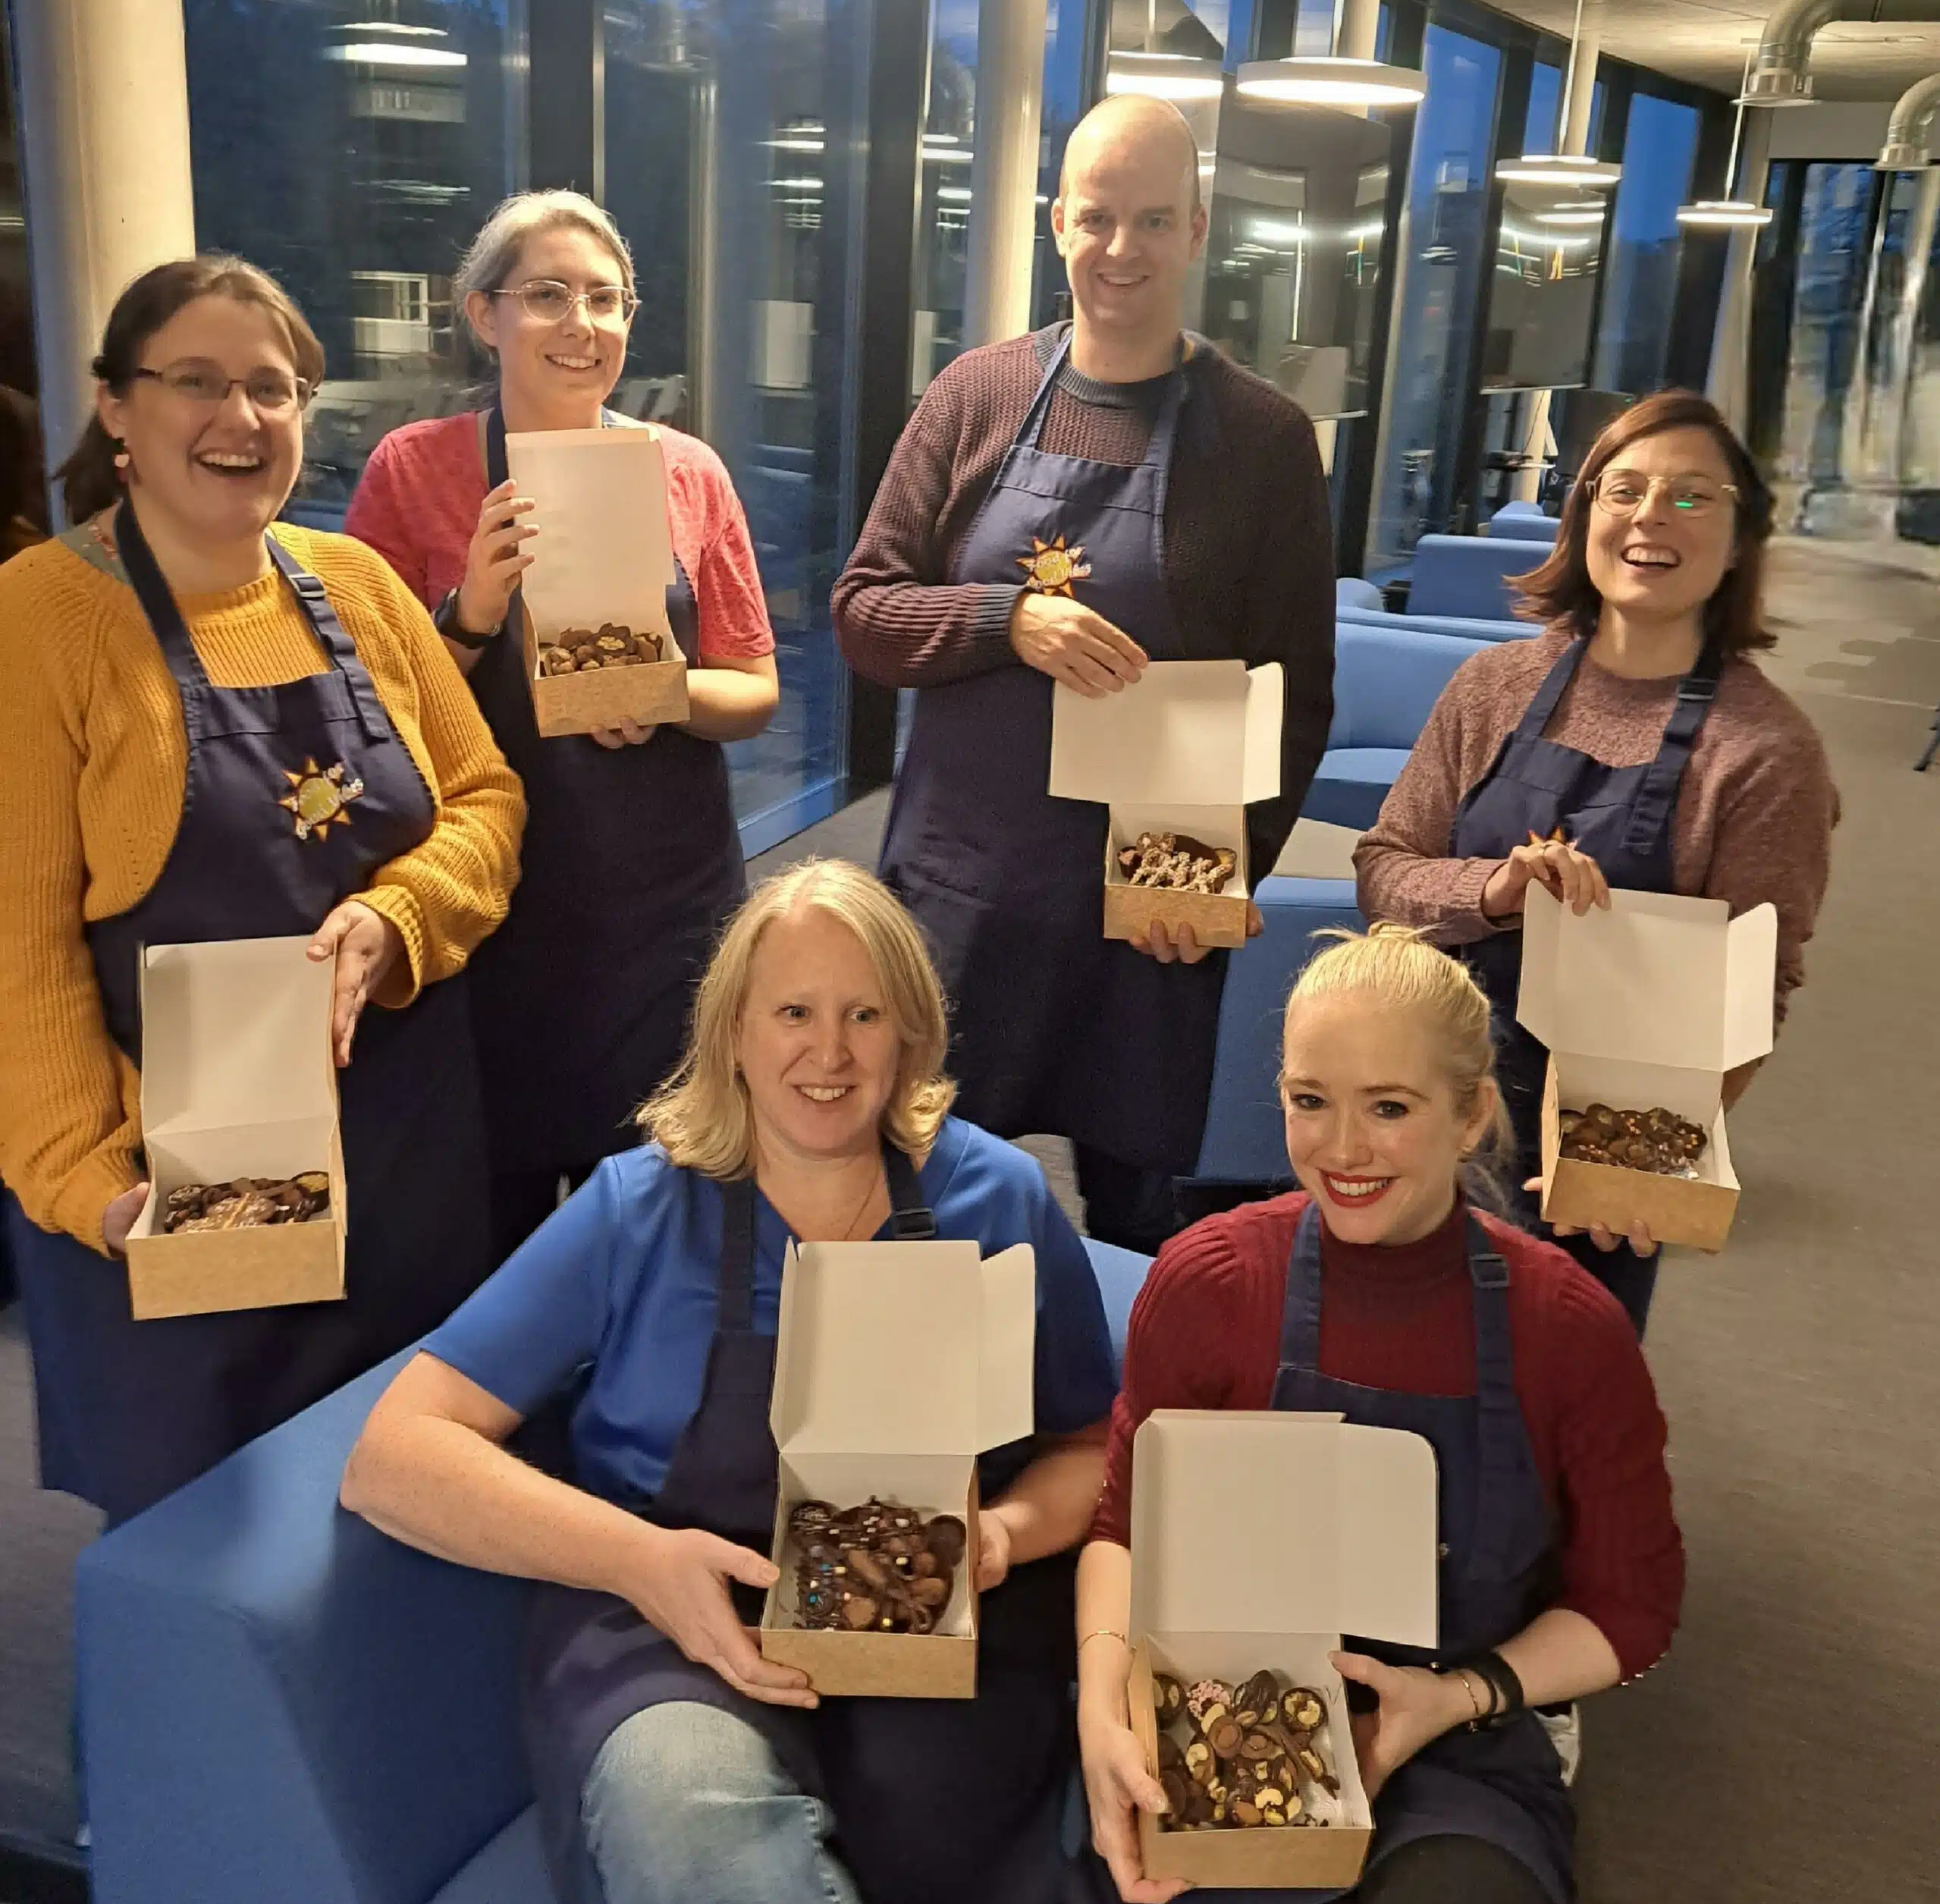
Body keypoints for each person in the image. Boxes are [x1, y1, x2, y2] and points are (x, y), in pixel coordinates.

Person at [340, 859, 1118, 1904]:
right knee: (681, 1804)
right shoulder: (636, 1208)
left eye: (864, 1015)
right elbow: (392, 1455)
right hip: (669, 1624)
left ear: (911, 1033)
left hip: (934, 1639)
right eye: (793, 1013)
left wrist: (998, 1535)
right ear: (734, 1033)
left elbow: (1095, 1449)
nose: (829, 1053)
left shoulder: (995, 1200)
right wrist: (641, 1561)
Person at [1069, 925, 1684, 1904]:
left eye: (1389, 1107)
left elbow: (1633, 1608)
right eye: (1311, 1101)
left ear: (1472, 1116)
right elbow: (1125, 1525)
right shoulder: (1209, 1279)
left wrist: (1461, 1694)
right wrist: (1100, 1707)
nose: (1342, 1149)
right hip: (1229, 1723)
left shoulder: (1568, 1329)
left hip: (1459, 1747)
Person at [0, 255, 523, 1532]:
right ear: (116, 406)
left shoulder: (358, 586)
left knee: (414, 1515)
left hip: (402, 1160)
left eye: (272, 387)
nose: (239, 417)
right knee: (206, 1564)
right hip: (183, 1188)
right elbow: (19, 952)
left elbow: (486, 800)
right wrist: (86, 1181)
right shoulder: (41, 619)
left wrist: (398, 918)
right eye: (196, 381)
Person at [833, 94, 1336, 1255]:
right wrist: (1005, 620)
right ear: (1057, 222)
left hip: (1148, 910)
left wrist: (1225, 876)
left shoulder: (1263, 442)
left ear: (1197, 231)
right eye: (1098, 217)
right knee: (920, 1202)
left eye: (1153, 220)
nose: (1122, 248)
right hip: (964, 895)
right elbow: (863, 614)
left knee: (1139, 1221)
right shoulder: (975, 395)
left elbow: (1297, 696)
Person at [345, 190, 779, 1259]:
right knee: (493, 1221)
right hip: (489, 901)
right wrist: (471, 613)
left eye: (605, 299)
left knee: (661, 1210)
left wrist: (666, 692)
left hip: (661, 906)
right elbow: (367, 713)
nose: (581, 324)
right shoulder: (414, 469)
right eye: (547, 295)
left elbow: (754, 688)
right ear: (482, 314)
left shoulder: (687, 471)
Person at [1355, 390, 1837, 1331]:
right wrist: (1495, 889)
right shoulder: (1493, 685)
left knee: (1542, 1382)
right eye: (1624, 490)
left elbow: (1752, 992)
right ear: (1584, 518)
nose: (1652, 515)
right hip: (1415, 1104)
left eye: (1691, 496)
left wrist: (1645, 1159)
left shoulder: (1765, 753)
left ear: (1739, 540)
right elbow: (1384, 869)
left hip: (1585, 1149)